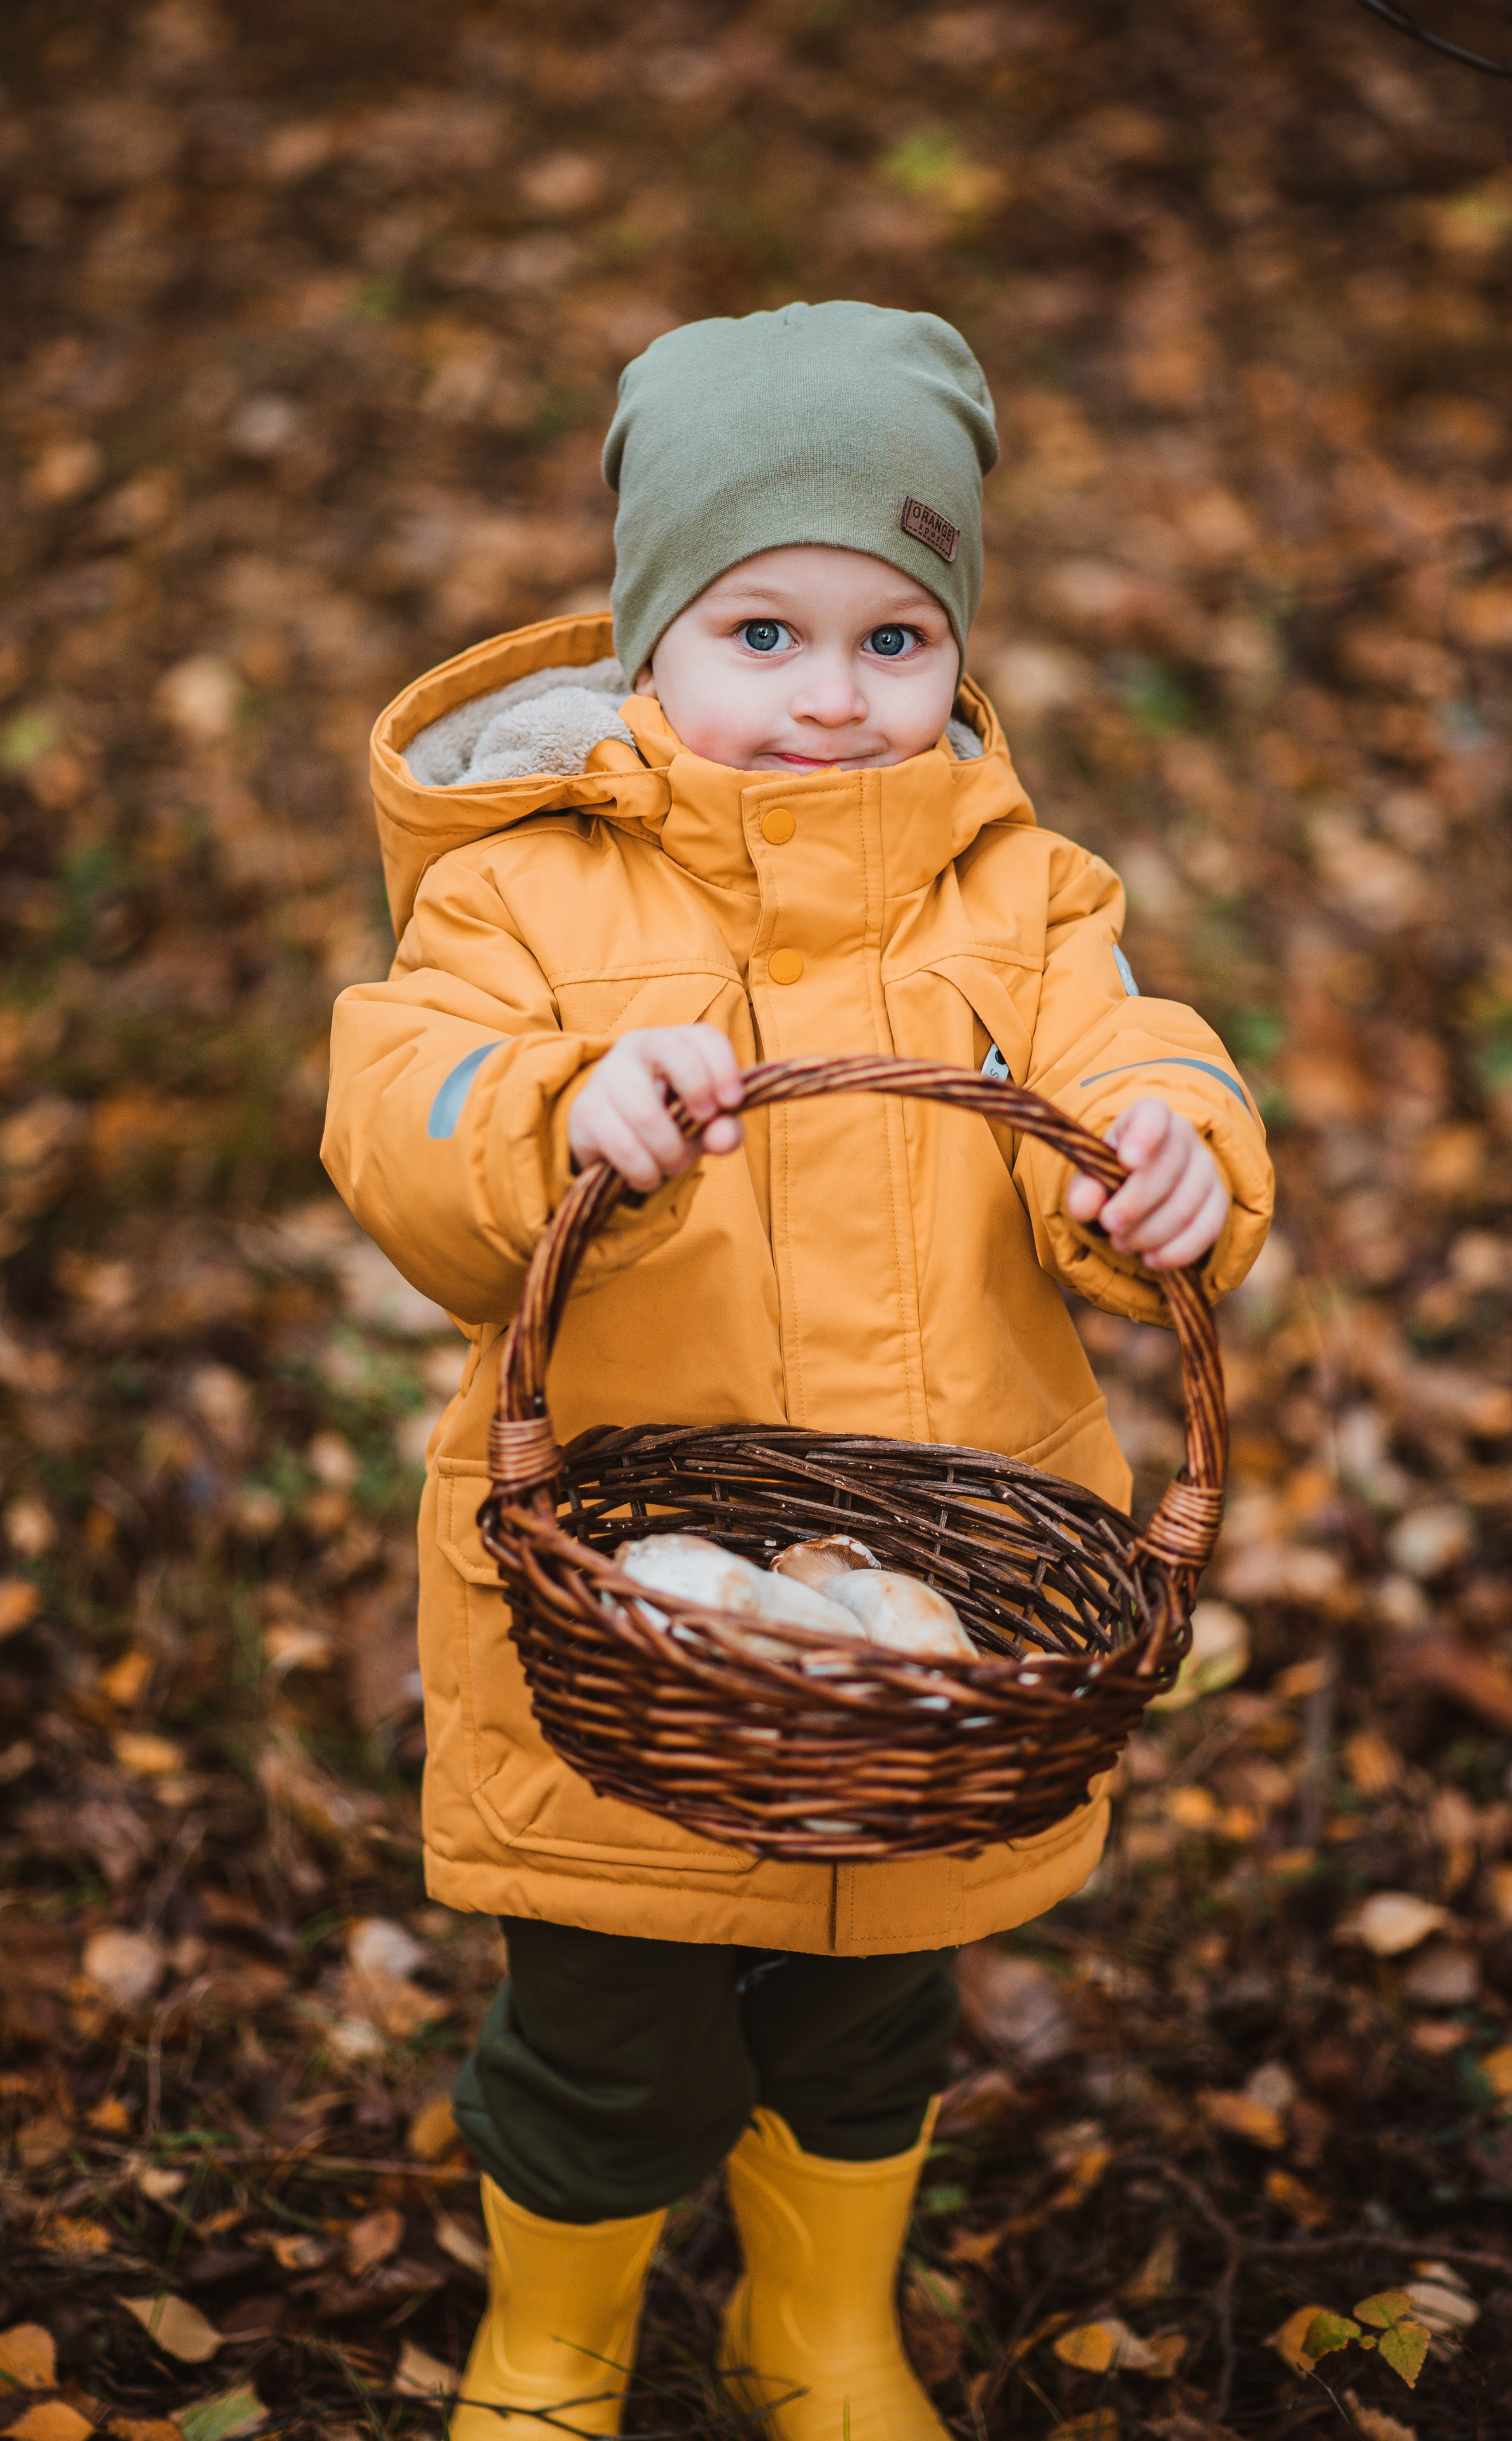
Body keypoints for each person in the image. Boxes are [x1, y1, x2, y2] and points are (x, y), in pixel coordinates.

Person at [323, 300, 1273, 2441]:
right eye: (761, 632)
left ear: (957, 654)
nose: (833, 698)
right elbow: (404, 1119)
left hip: (953, 1649)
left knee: (871, 2017)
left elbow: (1135, 1049)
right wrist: (557, 1109)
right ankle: (550, 2344)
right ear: (650, 637)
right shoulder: (521, 897)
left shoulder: (1023, 897)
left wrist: (1170, 1159)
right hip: (616, 1637)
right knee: (608, 2026)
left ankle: (820, 2328)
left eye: (892, 638)